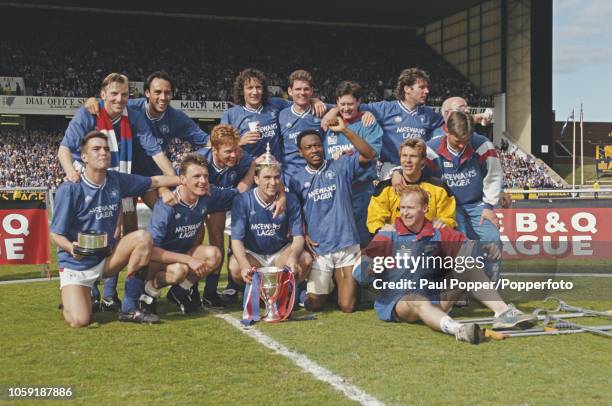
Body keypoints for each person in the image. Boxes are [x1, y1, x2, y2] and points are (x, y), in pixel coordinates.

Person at [355, 186, 536, 344]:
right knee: (415, 299)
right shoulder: (389, 235)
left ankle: (503, 314)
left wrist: (487, 248)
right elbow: (359, 269)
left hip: (436, 299)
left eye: (410, 207)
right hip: (400, 302)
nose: (405, 213)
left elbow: (469, 248)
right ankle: (458, 330)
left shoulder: (438, 233)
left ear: (425, 209)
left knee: (469, 266)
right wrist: (369, 268)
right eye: (402, 208)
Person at [58, 73, 175, 311]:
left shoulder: (132, 116)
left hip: (120, 183)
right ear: (103, 96)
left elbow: (155, 151)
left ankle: (112, 295)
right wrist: (71, 172)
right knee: (88, 233)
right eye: (114, 94)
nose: (119, 99)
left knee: (123, 232)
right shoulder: (87, 113)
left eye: (124, 95)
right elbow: (64, 150)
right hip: (87, 185)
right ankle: (87, 288)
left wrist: (174, 182)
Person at [50, 131, 180, 327]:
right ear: (84, 157)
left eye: (106, 149)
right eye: (96, 149)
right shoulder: (70, 189)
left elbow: (153, 181)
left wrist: (182, 180)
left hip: (105, 260)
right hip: (76, 265)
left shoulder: (116, 180)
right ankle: (79, 294)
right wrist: (71, 248)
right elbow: (55, 234)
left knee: (143, 237)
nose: (103, 152)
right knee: (79, 320)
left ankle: (129, 307)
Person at [84, 70, 210, 208]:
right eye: (157, 92)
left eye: (167, 92)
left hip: (153, 176)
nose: (163, 97)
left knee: (166, 212)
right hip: (127, 173)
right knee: (128, 219)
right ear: (147, 93)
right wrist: (92, 100)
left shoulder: (177, 117)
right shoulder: (129, 107)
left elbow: (206, 140)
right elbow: (108, 103)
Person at [288, 127, 376, 313]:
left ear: (323, 147)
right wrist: (303, 234)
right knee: (314, 305)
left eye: (318, 146)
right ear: (300, 152)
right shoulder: (296, 179)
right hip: (321, 249)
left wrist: (344, 130)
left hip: (347, 243)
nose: (314, 150)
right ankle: (323, 286)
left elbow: (369, 154)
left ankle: (347, 281)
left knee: (347, 306)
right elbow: (294, 213)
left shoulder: (340, 165)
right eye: (309, 147)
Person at [139, 154, 236, 314]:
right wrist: (188, 260)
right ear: (182, 179)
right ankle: (149, 293)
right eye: (196, 176)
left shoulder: (207, 196)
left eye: (205, 176)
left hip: (183, 255)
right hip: (157, 261)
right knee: (179, 270)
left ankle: (180, 292)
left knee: (214, 255)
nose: (203, 181)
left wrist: (279, 192)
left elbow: (242, 195)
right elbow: (151, 251)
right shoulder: (167, 205)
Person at [323, 68, 443, 180]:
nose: (426, 91)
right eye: (421, 87)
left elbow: (443, 127)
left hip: (417, 168)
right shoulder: (385, 108)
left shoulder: (429, 115)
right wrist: (332, 110)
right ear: (407, 89)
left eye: (426, 87)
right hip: (390, 169)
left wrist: (429, 145)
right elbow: (349, 106)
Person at [425, 111, 503, 281]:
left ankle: (490, 290)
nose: (462, 146)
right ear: (447, 132)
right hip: (448, 207)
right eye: (458, 141)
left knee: (492, 238)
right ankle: (457, 290)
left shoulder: (482, 145)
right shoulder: (430, 149)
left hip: (477, 205)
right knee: (459, 243)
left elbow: (494, 176)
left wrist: (489, 207)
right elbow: (421, 181)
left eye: (466, 141)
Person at [195, 124, 256, 307]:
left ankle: (210, 292)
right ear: (214, 149)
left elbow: (255, 174)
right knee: (194, 239)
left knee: (217, 238)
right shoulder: (199, 160)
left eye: (236, 150)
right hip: (195, 204)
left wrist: (253, 166)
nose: (234, 155)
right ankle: (187, 289)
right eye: (228, 151)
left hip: (218, 203)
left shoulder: (241, 158)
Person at [229, 159, 312, 290]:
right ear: (256, 179)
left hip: (280, 252)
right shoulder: (243, 200)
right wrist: (245, 265)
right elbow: (236, 240)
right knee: (235, 266)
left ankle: (285, 293)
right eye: (267, 177)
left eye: (276, 177)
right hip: (254, 254)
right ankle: (261, 296)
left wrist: (293, 257)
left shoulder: (290, 199)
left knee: (305, 259)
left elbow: (298, 237)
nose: (273, 182)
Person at [323, 81, 382, 247]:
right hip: (337, 191)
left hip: (362, 190)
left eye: (350, 104)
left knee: (362, 240)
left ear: (359, 102)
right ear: (336, 103)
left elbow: (371, 154)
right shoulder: (330, 125)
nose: (346, 108)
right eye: (342, 104)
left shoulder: (368, 123)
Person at [221, 68, 326, 161]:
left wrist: (314, 100)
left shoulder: (275, 104)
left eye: (258, 87)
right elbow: (219, 144)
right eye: (250, 88)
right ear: (242, 90)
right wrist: (239, 141)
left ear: (263, 90)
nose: (255, 92)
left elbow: (299, 101)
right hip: (247, 168)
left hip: (275, 168)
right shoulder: (231, 114)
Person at [367, 138, 456, 235]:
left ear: (423, 160)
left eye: (413, 156)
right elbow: (373, 221)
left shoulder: (439, 188)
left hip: (430, 241)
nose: (407, 160)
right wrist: (382, 229)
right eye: (404, 156)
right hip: (397, 242)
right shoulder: (385, 188)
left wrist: (442, 223)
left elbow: (449, 219)